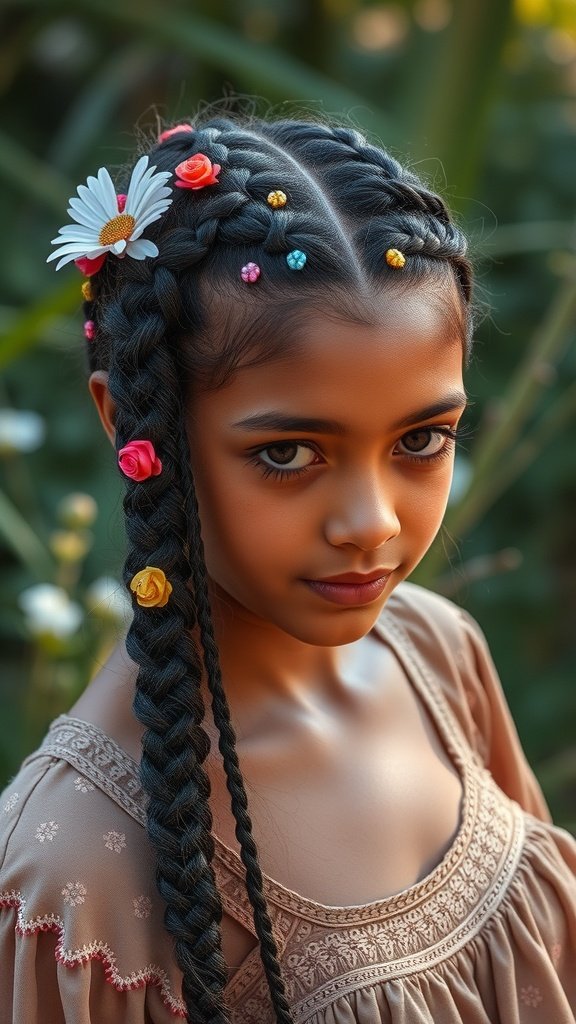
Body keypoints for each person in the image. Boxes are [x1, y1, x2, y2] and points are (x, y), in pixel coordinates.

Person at [0, 113, 574, 1024]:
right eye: (288, 454)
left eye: (423, 439)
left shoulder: (437, 653)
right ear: (130, 424)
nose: (371, 523)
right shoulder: (81, 862)